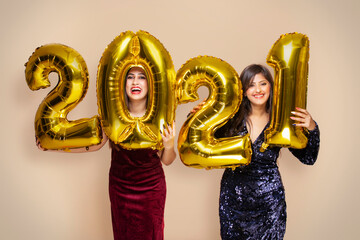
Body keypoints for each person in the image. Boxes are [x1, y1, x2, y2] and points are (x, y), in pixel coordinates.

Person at [37, 66, 176, 240]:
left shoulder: (160, 116)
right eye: (130, 77)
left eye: (141, 77)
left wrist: (169, 145)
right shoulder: (111, 114)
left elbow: (167, 160)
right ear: (123, 83)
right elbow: (95, 145)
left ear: (150, 84)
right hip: (120, 187)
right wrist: (55, 147)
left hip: (151, 189)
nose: (135, 82)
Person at [192, 64, 320, 239]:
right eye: (251, 85)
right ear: (244, 90)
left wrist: (311, 127)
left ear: (271, 87)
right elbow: (203, 141)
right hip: (233, 201)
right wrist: (200, 116)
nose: (257, 89)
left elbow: (308, 157)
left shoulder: (280, 122)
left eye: (263, 83)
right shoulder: (230, 119)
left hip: (269, 204)